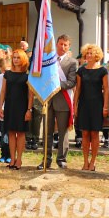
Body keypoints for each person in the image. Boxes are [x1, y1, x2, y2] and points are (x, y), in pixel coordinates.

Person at [38, 34, 78, 170]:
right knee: (46, 132)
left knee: (63, 132)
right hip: (48, 100)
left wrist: (56, 85)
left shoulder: (72, 62)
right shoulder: (48, 60)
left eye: (65, 45)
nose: (62, 47)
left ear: (69, 46)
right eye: (60, 44)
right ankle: (46, 159)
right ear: (56, 44)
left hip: (63, 100)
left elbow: (72, 82)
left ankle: (61, 159)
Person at [74, 43, 109, 171]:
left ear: (97, 55)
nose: (88, 55)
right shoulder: (81, 70)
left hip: (97, 105)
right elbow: (78, 89)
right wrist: (75, 105)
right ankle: (85, 161)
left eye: (91, 53)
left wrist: (105, 107)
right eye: (86, 53)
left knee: (94, 134)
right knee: (85, 134)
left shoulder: (103, 70)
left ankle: (93, 162)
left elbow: (105, 89)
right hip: (83, 104)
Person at [0, 51, 32, 170]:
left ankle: (19, 159)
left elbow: (30, 95)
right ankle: (12, 159)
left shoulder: (28, 75)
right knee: (11, 132)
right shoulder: (7, 74)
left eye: (18, 58)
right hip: (10, 106)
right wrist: (0, 106)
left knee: (21, 133)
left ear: (23, 59)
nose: (16, 60)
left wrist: (29, 110)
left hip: (22, 107)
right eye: (14, 58)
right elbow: (3, 91)